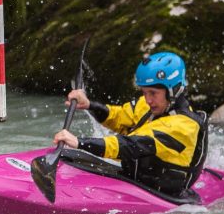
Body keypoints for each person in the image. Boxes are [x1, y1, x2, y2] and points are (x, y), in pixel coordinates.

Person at [52, 51, 207, 197]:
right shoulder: (152, 106)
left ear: (174, 90)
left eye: (153, 93)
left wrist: (79, 143)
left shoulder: (183, 126)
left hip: (161, 196)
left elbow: (129, 145)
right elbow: (118, 117)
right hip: (136, 182)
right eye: (144, 92)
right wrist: (89, 105)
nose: (148, 100)